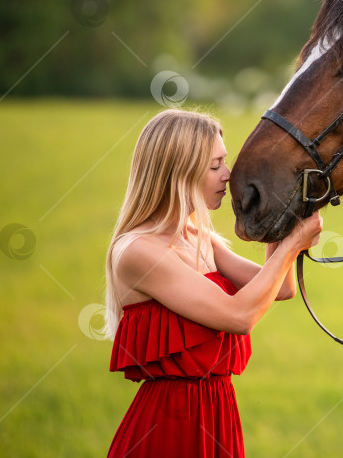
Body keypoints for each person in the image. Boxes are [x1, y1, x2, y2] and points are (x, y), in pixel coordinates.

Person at [104, 109, 321, 457]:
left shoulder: (200, 238)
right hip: (170, 427)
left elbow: (279, 288)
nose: (228, 175)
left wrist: (277, 221)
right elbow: (239, 316)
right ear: (180, 171)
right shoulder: (138, 251)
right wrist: (294, 244)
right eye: (215, 165)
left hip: (219, 414)